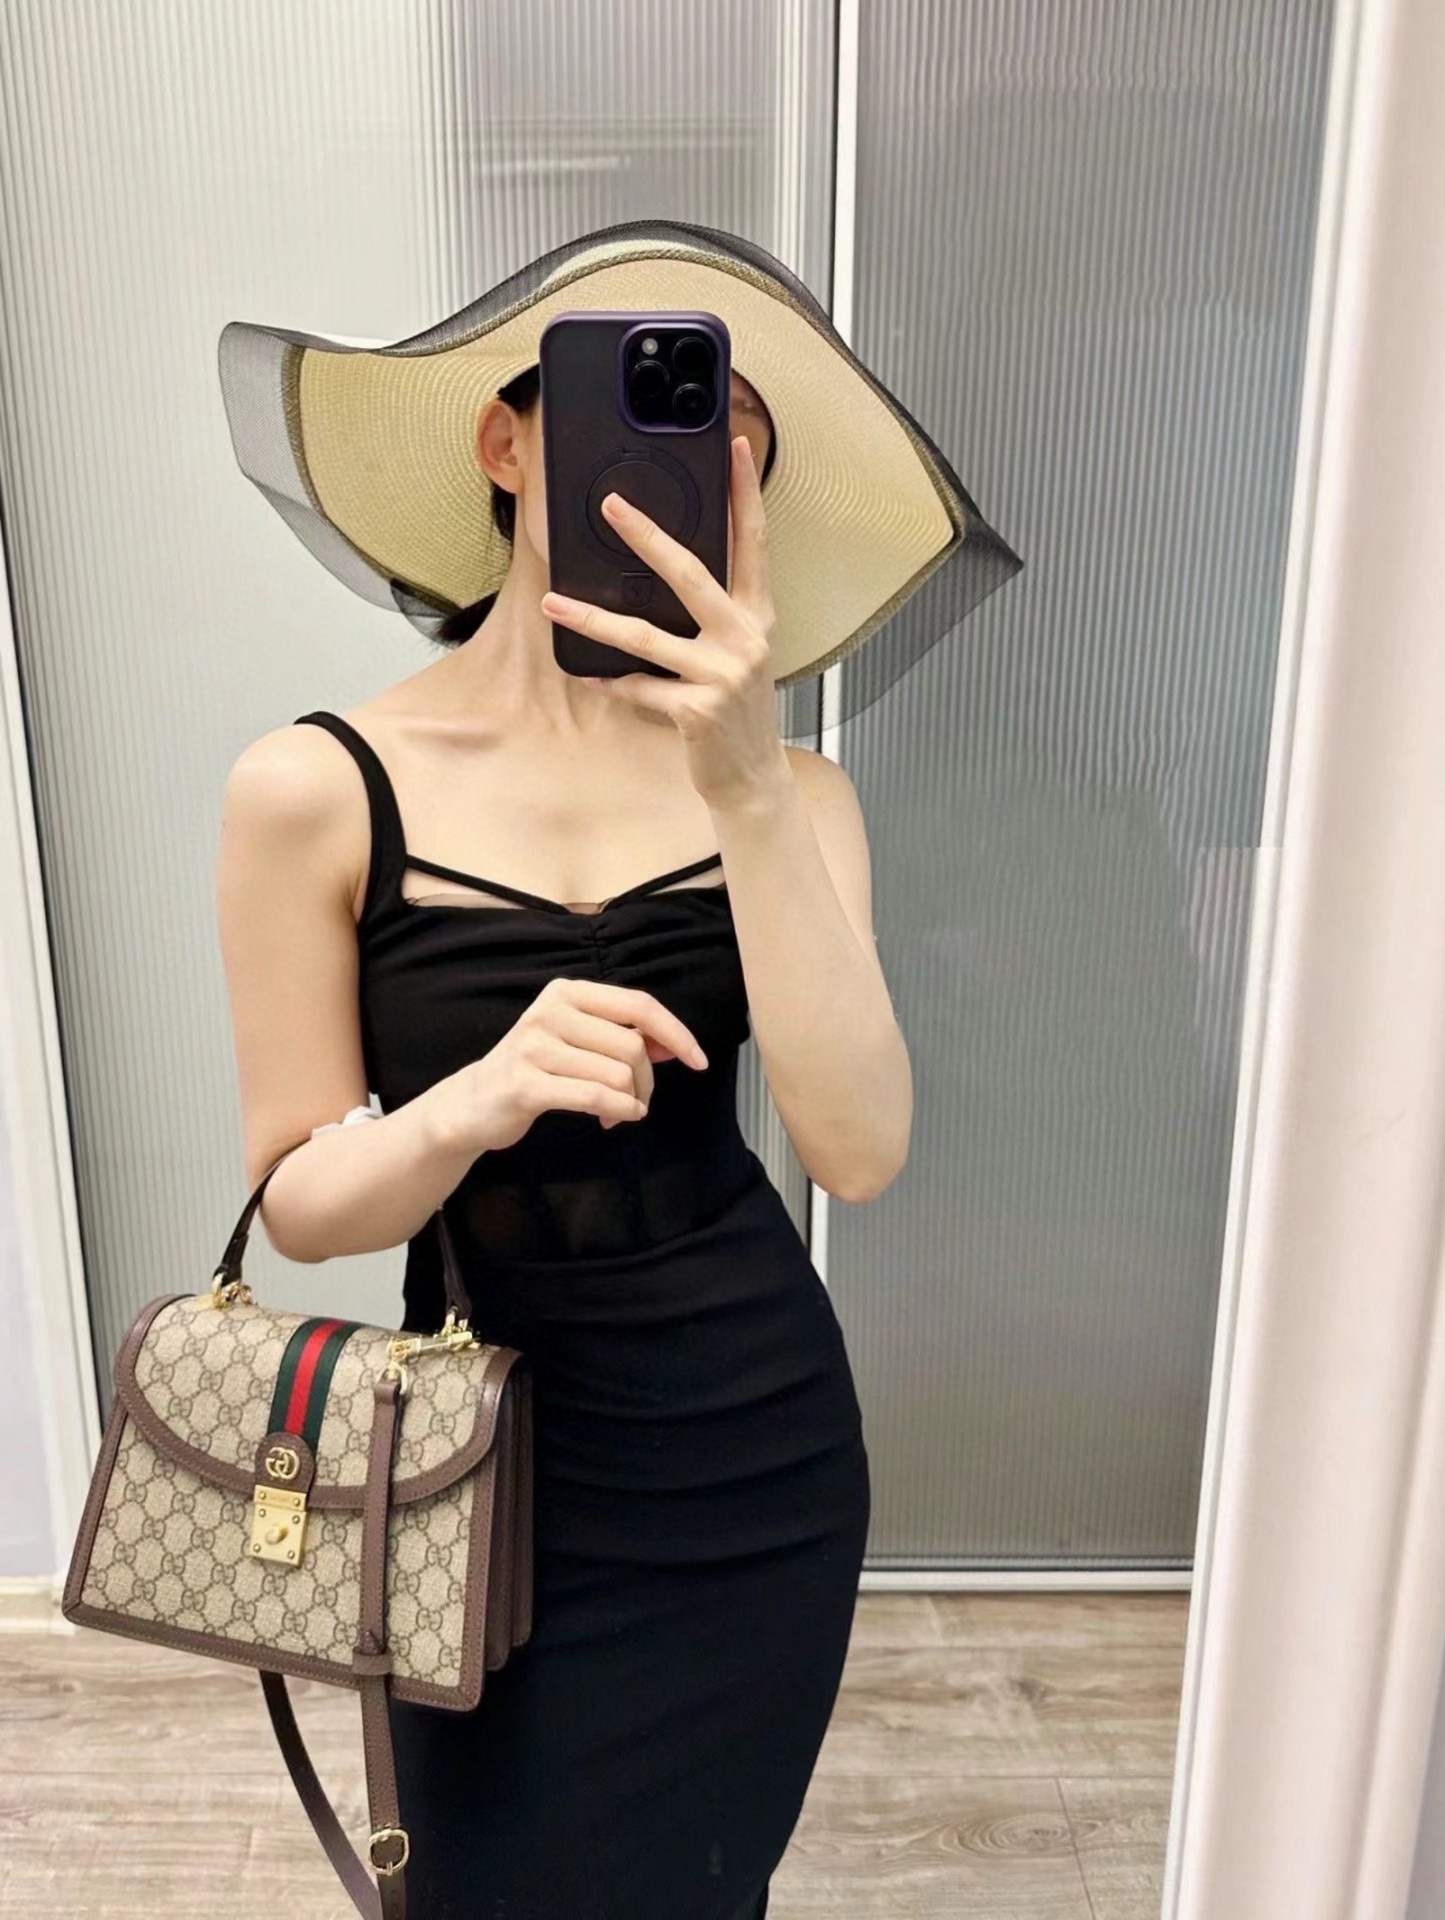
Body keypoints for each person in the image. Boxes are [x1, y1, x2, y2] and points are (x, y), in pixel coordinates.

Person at [214, 220, 1019, 1919]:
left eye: (733, 443)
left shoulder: (796, 802)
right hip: (473, 1475)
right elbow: (299, 1205)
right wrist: (473, 1098)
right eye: (634, 416)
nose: (687, 471)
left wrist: (746, 781)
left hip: (752, 1455)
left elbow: (859, 1148)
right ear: (508, 446)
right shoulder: (314, 790)